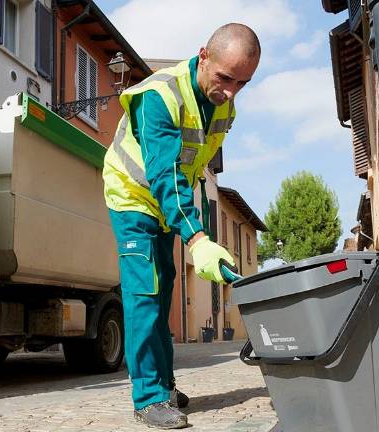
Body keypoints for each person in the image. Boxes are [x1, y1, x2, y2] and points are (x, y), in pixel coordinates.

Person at [102, 23, 261, 429]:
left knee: (165, 286)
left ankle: (165, 385)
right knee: (144, 293)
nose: (230, 92)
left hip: (166, 206)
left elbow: (194, 171)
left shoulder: (224, 106)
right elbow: (166, 173)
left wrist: (197, 230)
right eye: (226, 78)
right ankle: (148, 398)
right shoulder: (159, 96)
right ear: (203, 56)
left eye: (242, 83)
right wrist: (198, 236)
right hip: (133, 197)